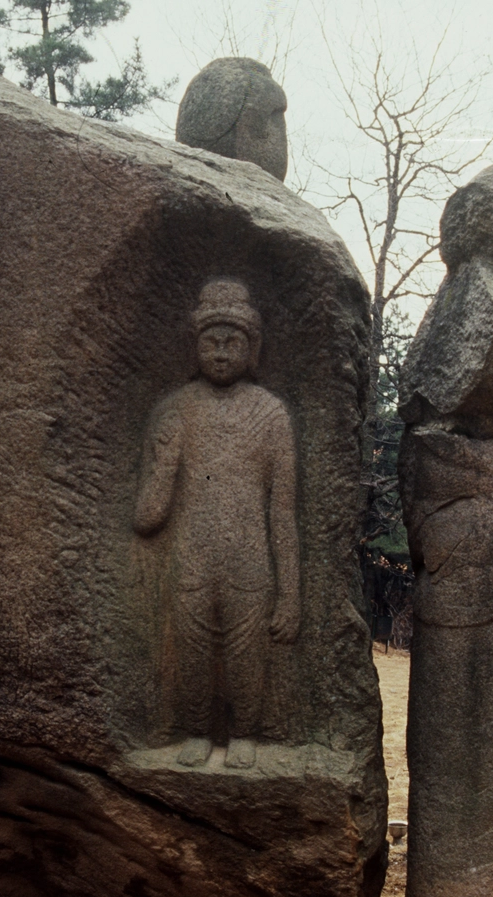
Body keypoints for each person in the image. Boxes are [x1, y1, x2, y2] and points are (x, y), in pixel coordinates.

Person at [135, 278, 299, 769]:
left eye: (233, 342)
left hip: (250, 564)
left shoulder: (270, 414)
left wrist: (291, 593)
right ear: (195, 346)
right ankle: (196, 730)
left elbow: (283, 511)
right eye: (211, 341)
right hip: (191, 560)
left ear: (252, 349)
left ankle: (245, 731)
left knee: (247, 658)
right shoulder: (174, 411)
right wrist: (165, 464)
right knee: (192, 656)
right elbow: (146, 518)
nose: (222, 352)